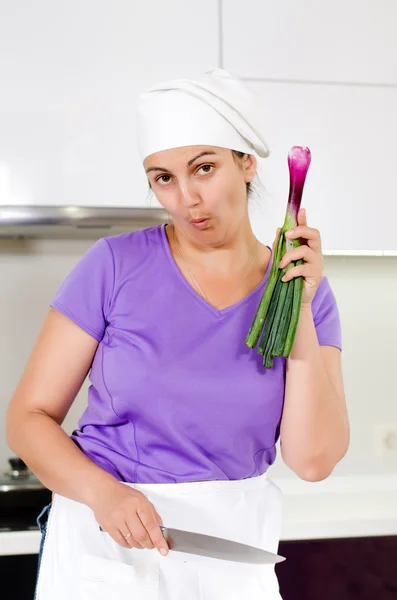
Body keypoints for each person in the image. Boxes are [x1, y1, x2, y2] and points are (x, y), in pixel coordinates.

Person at [6, 68, 349, 599]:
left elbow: (313, 460)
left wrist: (298, 309)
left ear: (246, 163)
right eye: (163, 178)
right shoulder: (114, 266)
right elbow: (28, 419)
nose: (187, 198)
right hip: (109, 541)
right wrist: (104, 495)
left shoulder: (305, 294)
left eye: (204, 168)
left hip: (231, 549)